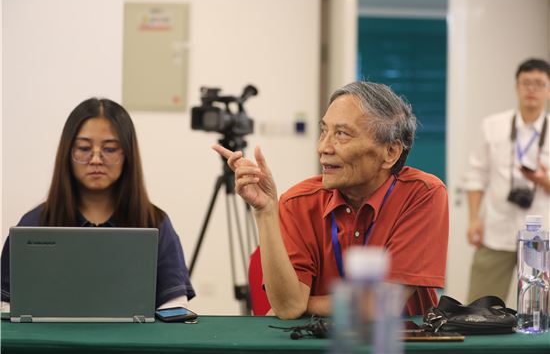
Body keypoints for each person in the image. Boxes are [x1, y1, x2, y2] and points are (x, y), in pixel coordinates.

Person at [214, 81, 449, 319]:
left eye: (342, 134)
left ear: (390, 152)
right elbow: (288, 307)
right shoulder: (298, 202)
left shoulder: (423, 194)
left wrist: (306, 304)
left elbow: (379, 304)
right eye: (324, 131)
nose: (323, 147)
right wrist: (265, 211)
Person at [1, 98, 195, 309]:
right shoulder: (34, 224)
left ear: (127, 155)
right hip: (52, 341)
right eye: (84, 148)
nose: (95, 159)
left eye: (110, 149)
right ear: (68, 153)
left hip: (132, 342)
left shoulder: (154, 222)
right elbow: (7, 307)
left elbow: (174, 306)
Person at [465, 58, 550, 303]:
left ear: (548, 89)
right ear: (516, 86)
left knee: (540, 313)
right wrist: (473, 219)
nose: (531, 89)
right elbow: (476, 175)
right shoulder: (493, 126)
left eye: (538, 83)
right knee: (479, 306)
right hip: (495, 229)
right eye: (526, 83)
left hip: (542, 236)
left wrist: (543, 181)